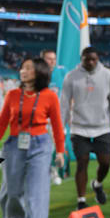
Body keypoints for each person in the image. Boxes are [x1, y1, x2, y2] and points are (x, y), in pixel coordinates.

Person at [0, 57, 65, 218]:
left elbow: (57, 125)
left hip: (40, 145)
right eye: (22, 68)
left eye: (28, 68)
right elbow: (2, 122)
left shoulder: (50, 96)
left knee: (36, 194)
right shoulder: (13, 94)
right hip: (14, 145)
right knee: (11, 193)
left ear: (39, 72)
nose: (23, 71)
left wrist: (61, 151)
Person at [61, 46, 110, 210]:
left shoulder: (108, 75)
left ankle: (97, 183)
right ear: (81, 59)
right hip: (78, 128)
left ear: (98, 59)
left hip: (102, 128)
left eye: (93, 59)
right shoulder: (71, 77)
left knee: (105, 163)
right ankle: (81, 200)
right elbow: (64, 103)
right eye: (87, 59)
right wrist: (61, 126)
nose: (90, 62)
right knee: (82, 163)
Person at [40, 49, 71, 184]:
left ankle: (58, 171)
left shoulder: (62, 72)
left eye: (53, 58)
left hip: (59, 114)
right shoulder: (37, 74)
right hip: (42, 116)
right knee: (45, 145)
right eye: (49, 58)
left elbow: (69, 93)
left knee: (60, 143)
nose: (52, 61)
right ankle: (49, 170)